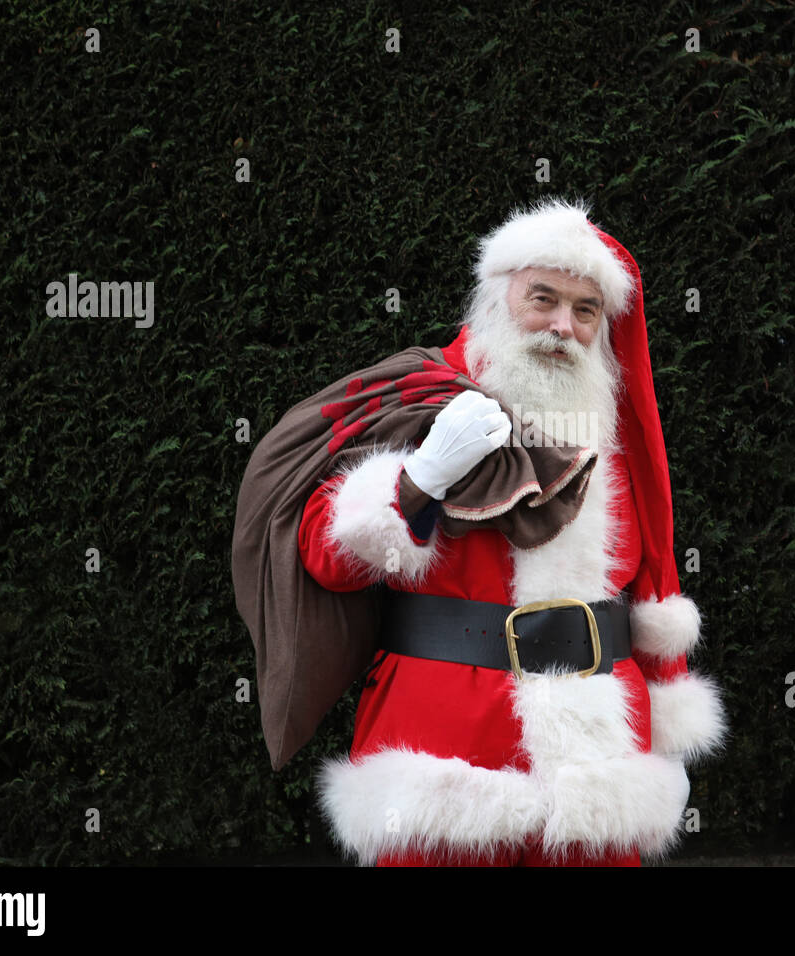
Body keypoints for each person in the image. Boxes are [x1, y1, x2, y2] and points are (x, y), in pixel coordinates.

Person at [297, 197, 725, 866]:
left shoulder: (614, 438)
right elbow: (325, 558)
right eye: (543, 299)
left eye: (586, 311)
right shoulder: (421, 396)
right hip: (443, 754)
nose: (563, 326)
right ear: (498, 301)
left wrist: (666, 706)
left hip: (597, 758)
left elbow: (653, 586)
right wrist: (421, 479)